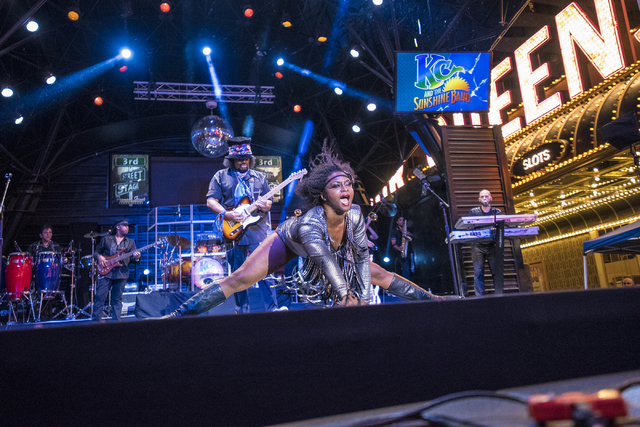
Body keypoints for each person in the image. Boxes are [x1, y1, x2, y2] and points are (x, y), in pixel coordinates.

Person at [161, 143, 440, 318]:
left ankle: (433, 300)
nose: (345, 189)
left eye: (348, 184)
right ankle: (177, 315)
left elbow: (362, 263)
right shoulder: (309, 223)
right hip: (288, 240)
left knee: (378, 272)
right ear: (322, 195)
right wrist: (347, 295)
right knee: (239, 279)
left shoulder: (354, 214)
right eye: (336, 186)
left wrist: (363, 299)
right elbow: (325, 262)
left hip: (316, 246)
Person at [206, 136, 283, 312]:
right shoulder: (221, 176)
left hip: (257, 230)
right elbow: (211, 201)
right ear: (231, 160)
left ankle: (272, 309)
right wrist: (227, 213)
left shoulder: (259, 177)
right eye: (240, 159)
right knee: (238, 274)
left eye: (247, 158)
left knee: (265, 269)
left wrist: (265, 205)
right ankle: (242, 311)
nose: (244, 162)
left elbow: (269, 202)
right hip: (233, 231)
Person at [93, 219, 140, 322]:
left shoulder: (130, 242)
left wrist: (137, 258)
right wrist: (99, 257)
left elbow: (133, 260)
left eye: (128, 226)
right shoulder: (106, 239)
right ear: (118, 227)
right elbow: (96, 252)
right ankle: (95, 322)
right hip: (106, 272)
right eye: (125, 225)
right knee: (100, 297)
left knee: (117, 299)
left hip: (121, 273)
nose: (127, 227)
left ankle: (116, 323)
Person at [469, 189, 503, 296]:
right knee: (478, 272)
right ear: (479, 199)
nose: (484, 198)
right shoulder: (473, 212)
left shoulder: (496, 212)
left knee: (496, 272)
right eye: (482, 197)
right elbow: (470, 227)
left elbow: (501, 227)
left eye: (486, 196)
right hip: (478, 246)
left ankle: (499, 296)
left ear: (491, 198)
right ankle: (480, 298)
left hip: (492, 245)